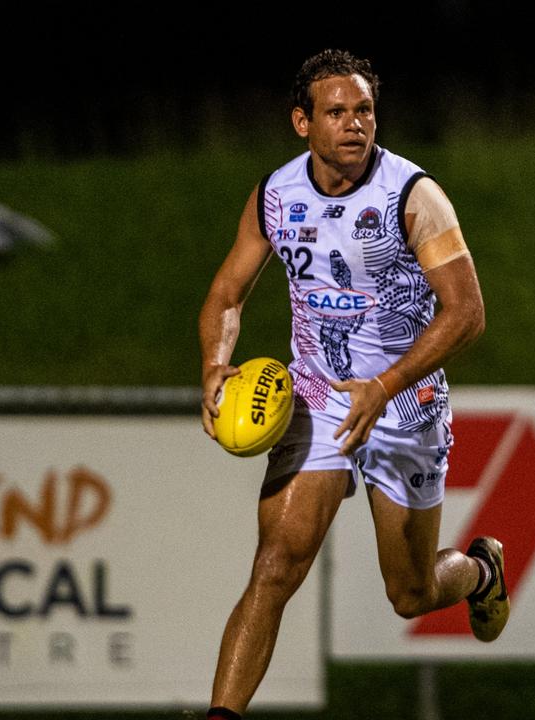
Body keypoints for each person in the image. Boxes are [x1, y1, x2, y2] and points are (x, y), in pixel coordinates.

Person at [197, 49, 506, 720]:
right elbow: (226, 293)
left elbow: (468, 313)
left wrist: (387, 382)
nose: (354, 123)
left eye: (364, 109)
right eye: (336, 112)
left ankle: (482, 570)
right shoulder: (277, 195)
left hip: (403, 404)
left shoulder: (411, 196)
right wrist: (214, 364)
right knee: (276, 563)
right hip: (315, 399)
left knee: (411, 592)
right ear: (301, 122)